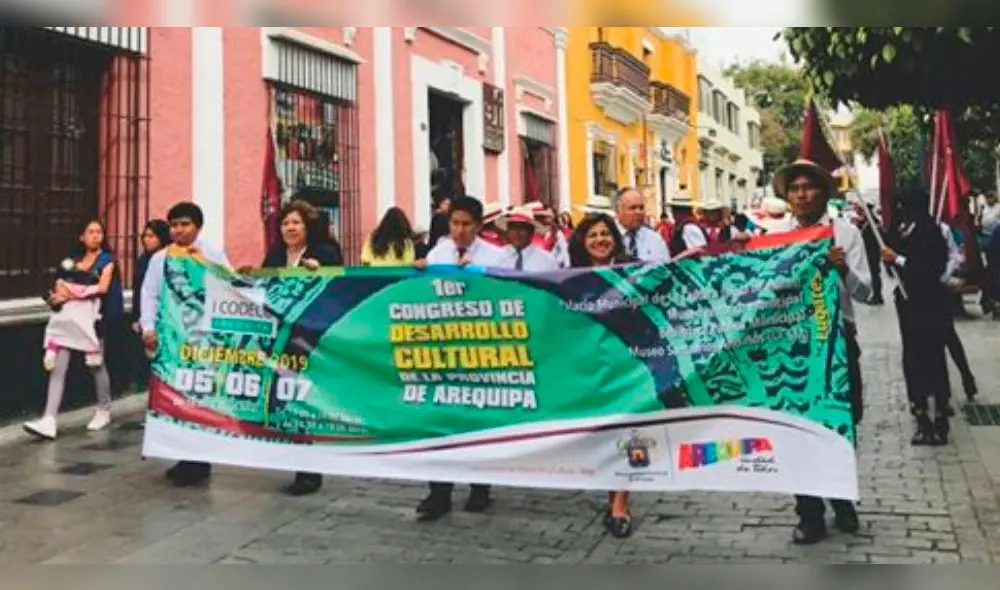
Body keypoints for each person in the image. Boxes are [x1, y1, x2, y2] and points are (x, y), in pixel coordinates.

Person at [770, 159, 872, 545]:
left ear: (822, 193)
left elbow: (866, 292)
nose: (801, 194)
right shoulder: (775, 238)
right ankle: (808, 511)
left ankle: (842, 497)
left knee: (844, 420)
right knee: (798, 427)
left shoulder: (845, 234)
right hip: (794, 343)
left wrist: (843, 270)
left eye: (808, 187)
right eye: (794, 188)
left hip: (838, 341)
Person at [414, 196, 503, 521]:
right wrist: (418, 272)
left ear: (478, 226)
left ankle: (480, 487)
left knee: (477, 420)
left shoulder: (496, 256)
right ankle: (438, 492)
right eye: (455, 223)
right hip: (442, 351)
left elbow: (508, 299)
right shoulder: (437, 254)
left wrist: (481, 276)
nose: (460, 230)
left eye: (466, 224)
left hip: (481, 351)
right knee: (438, 422)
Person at [141, 201, 231, 487]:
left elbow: (230, 284)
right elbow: (150, 293)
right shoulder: (161, 259)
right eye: (174, 225)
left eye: (184, 224)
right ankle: (182, 454)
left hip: (201, 339)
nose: (178, 230)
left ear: (198, 227)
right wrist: (148, 326)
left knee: (199, 395)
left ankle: (200, 459)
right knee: (173, 395)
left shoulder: (211, 253)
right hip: (170, 340)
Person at [256, 200, 343, 496]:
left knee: (304, 400)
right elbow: (265, 288)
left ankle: (310, 471)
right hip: (281, 338)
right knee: (286, 399)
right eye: (285, 223)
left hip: (311, 340)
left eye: (295, 223)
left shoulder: (325, 253)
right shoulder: (277, 255)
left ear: (307, 227)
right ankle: (297, 461)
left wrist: (322, 271)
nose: (289, 229)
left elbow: (337, 289)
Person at [566, 213, 637, 538]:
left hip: (625, 363)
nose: (599, 240)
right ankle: (611, 494)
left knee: (626, 430)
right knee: (602, 434)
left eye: (605, 233)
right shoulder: (569, 278)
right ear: (582, 241)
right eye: (592, 234)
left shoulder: (632, 272)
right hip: (588, 366)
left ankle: (620, 503)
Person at [23, 219, 124, 440]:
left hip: (94, 320)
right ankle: (49, 419)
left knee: (96, 365)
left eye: (99, 232)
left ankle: (103, 409)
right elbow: (58, 286)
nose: (96, 235)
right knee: (57, 368)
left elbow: (104, 287)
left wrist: (72, 291)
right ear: (81, 236)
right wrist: (64, 294)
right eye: (90, 232)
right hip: (67, 321)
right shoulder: (70, 261)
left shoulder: (108, 260)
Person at [882, 190, 953, 446]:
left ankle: (941, 417)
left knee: (933, 357)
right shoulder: (904, 229)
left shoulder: (931, 232)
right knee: (913, 358)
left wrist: (898, 259)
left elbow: (930, 267)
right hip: (908, 302)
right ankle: (921, 415)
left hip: (929, 302)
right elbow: (891, 255)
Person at [132, 219, 172, 389]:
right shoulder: (142, 261)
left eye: (152, 236)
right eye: (145, 236)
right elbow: (140, 292)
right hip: (146, 317)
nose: (147, 240)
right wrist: (137, 318)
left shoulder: (169, 259)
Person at [495, 206, 560, 272]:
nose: (516, 233)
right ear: (507, 231)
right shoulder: (499, 257)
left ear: (531, 231)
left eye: (521, 228)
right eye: (512, 228)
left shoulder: (546, 261)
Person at [614, 187, 670, 263]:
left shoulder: (654, 239)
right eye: (632, 208)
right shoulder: (609, 237)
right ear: (618, 212)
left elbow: (666, 269)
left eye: (641, 208)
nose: (638, 212)